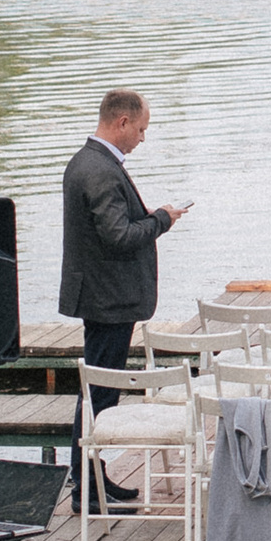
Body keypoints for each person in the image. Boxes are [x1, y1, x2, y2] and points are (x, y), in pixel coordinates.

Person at [59, 87, 189, 414]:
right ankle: (86, 463)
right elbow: (118, 236)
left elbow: (108, 228)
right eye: (141, 129)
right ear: (122, 122)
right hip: (109, 298)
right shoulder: (101, 169)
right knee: (102, 390)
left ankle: (87, 464)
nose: (142, 138)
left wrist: (150, 217)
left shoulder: (85, 160)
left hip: (99, 292)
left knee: (97, 387)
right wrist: (161, 220)